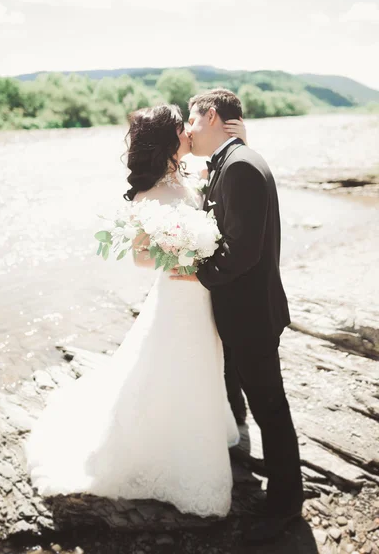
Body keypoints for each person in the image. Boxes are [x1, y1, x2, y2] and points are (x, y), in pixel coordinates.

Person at [25, 104, 246, 518]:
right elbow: (141, 258)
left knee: (202, 366)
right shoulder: (147, 195)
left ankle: (200, 439)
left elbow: (229, 189)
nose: (187, 132)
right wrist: (183, 259)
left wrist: (241, 142)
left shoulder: (194, 177)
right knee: (167, 369)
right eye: (181, 127)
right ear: (168, 138)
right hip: (174, 298)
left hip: (204, 298)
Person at [171, 89, 304, 542]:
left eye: (191, 119)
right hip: (243, 311)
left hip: (250, 314)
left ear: (211, 116)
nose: (188, 129)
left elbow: (242, 251)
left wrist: (197, 275)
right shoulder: (233, 161)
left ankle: (286, 504)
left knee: (272, 407)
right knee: (249, 397)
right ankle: (240, 448)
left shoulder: (242, 165)